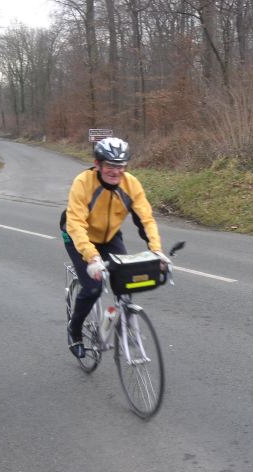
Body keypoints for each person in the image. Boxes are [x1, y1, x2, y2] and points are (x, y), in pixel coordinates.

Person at [60, 137, 170, 358]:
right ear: (98, 164)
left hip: (109, 237)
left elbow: (146, 220)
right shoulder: (83, 183)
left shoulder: (131, 184)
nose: (116, 171)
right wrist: (92, 257)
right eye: (110, 165)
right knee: (93, 288)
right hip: (77, 237)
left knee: (126, 282)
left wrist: (157, 251)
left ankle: (124, 324)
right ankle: (74, 329)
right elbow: (76, 224)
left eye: (120, 166)